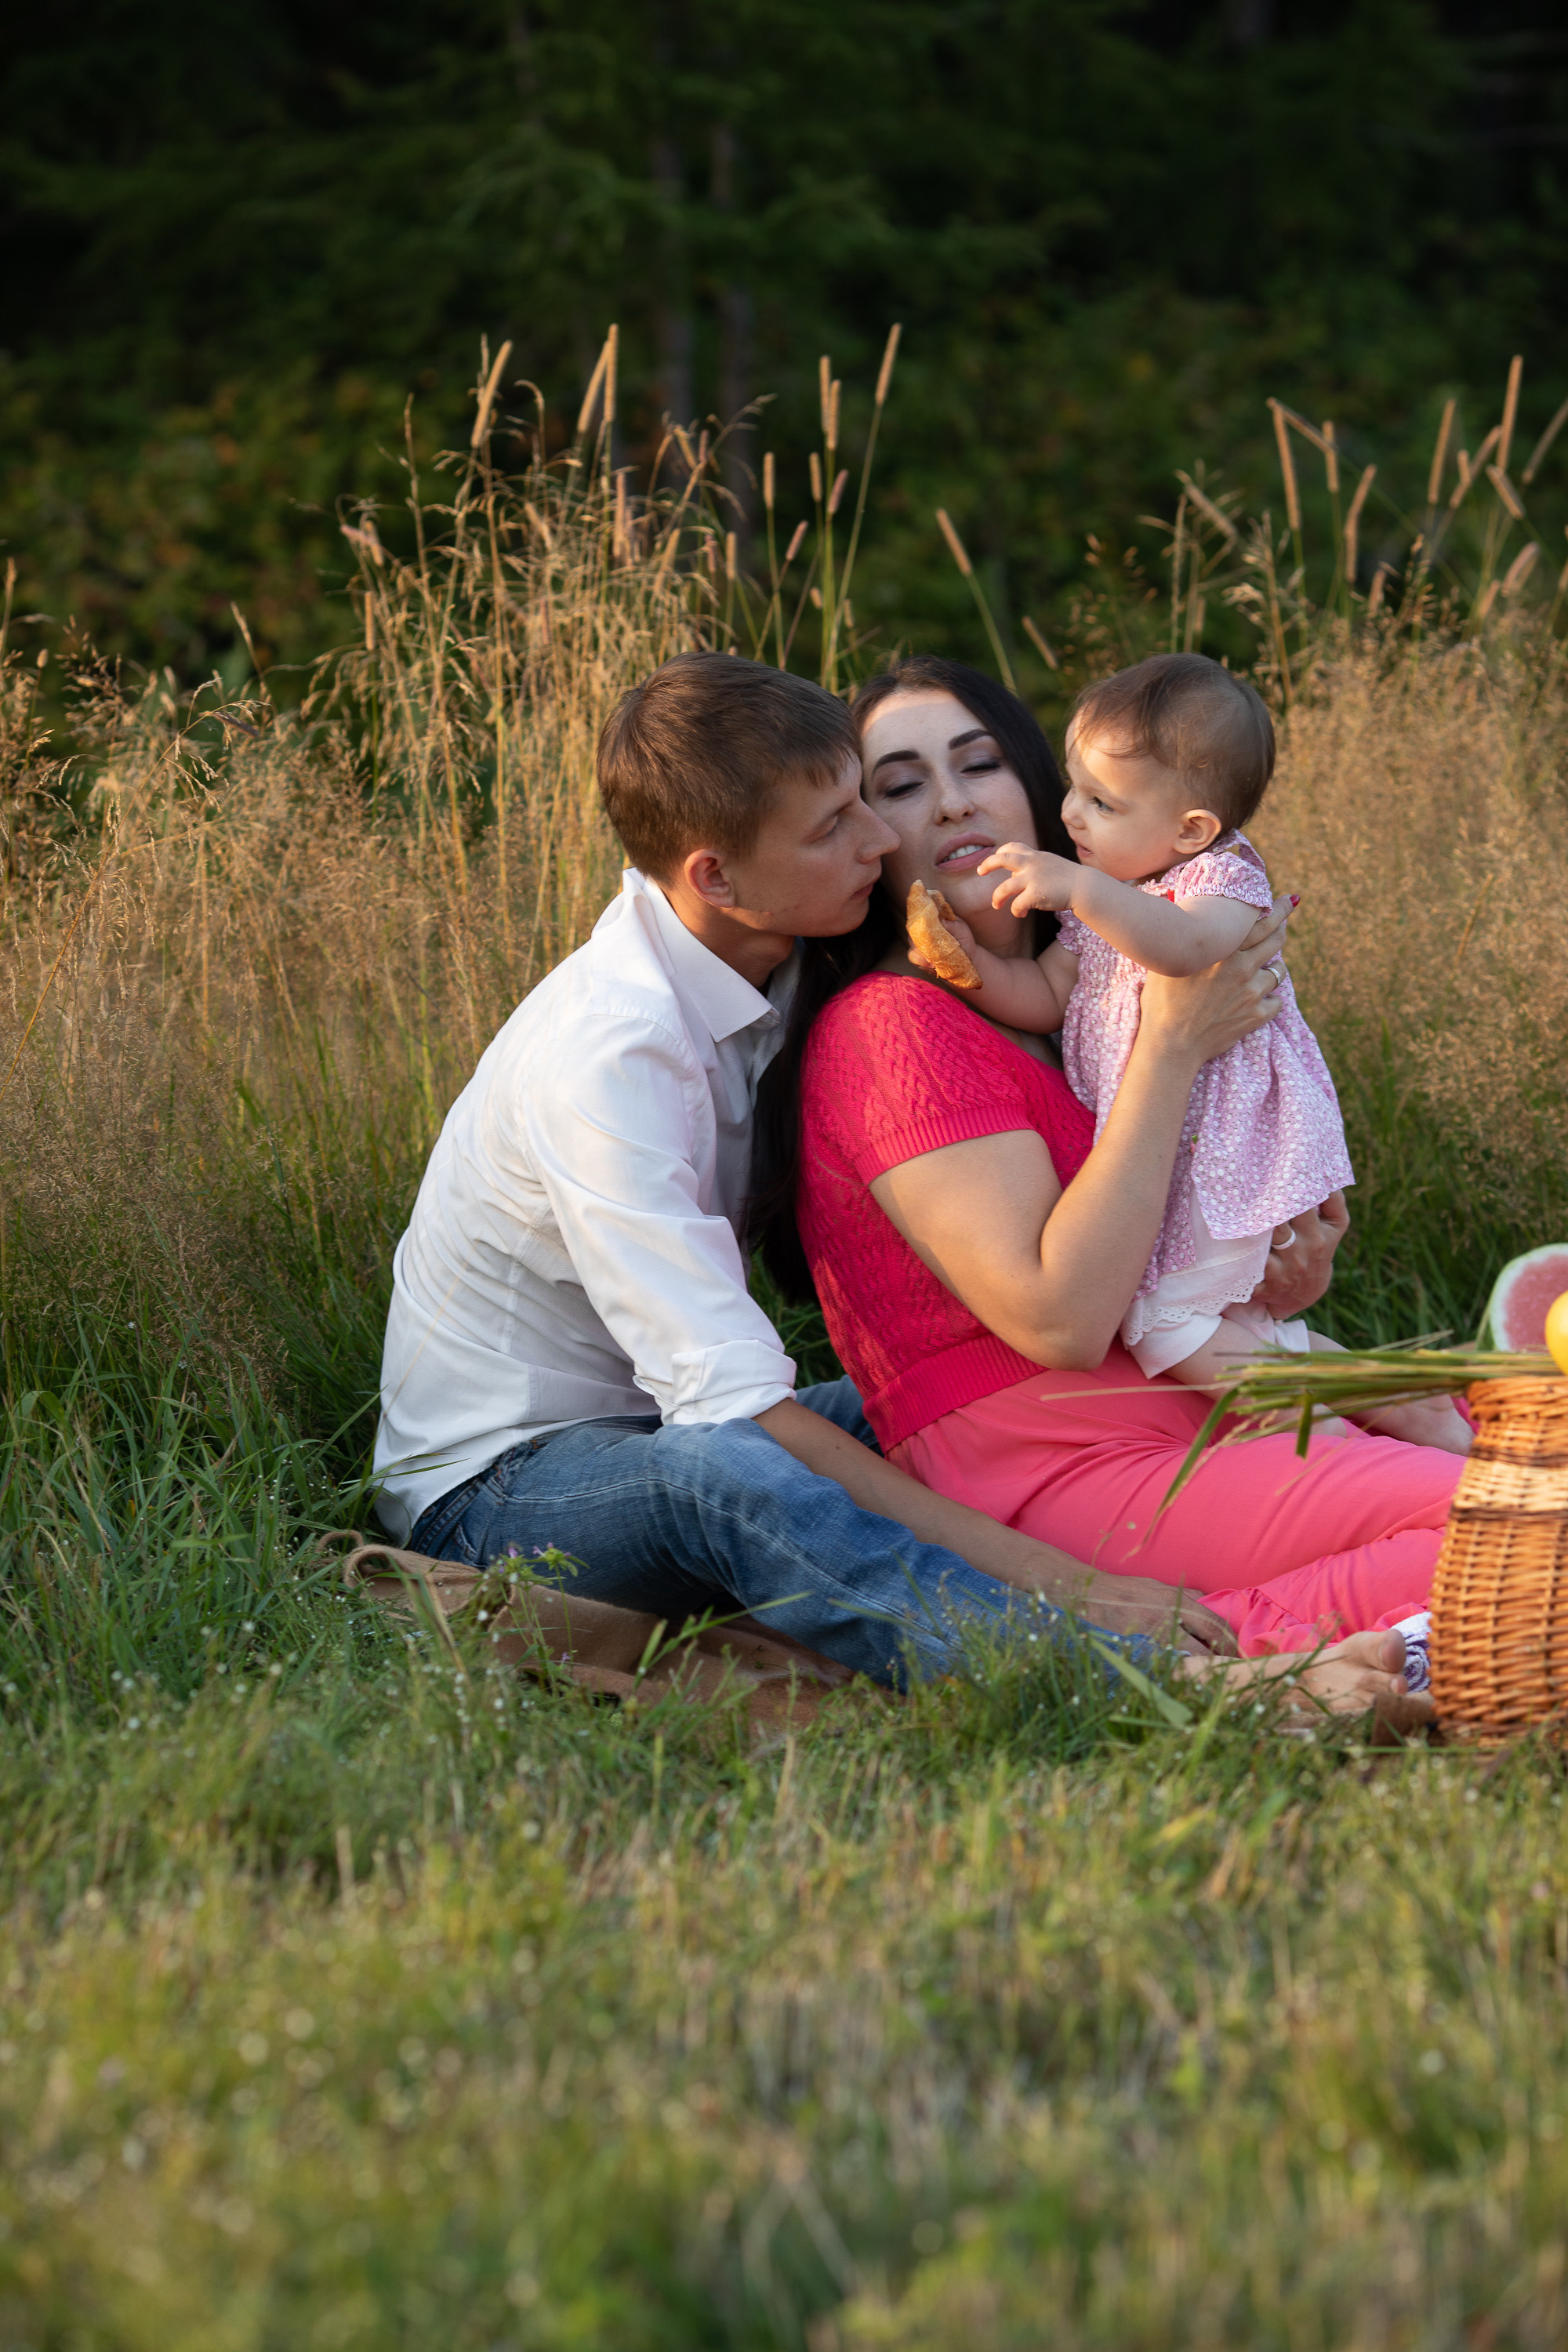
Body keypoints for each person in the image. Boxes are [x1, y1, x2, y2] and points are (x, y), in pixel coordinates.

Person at [372, 650, 1415, 1711]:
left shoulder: (785, 959)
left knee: (919, 1414)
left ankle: (1350, 1567)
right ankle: (1165, 1684)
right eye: (840, 823)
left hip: (676, 1409)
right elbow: (728, 1410)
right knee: (734, 1484)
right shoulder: (613, 1059)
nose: (882, 835)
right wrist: (1068, 1580)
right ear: (715, 877)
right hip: (510, 1480)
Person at [750, 655, 1463, 1660]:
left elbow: (1146, 1249)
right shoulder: (891, 1024)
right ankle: (1225, 1653)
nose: (952, 804)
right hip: (1057, 1458)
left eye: (979, 763)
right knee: (1515, 1523)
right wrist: (1176, 1042)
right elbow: (1060, 1319)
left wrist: (1278, 1268)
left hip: (1184, 1403)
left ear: (1047, 792)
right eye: (901, 785)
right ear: (868, 839)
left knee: (1529, 1453)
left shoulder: (1080, 1008)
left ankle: (1418, 1629)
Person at [906, 652, 1468, 1451]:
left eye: (1102, 802)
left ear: (1190, 828)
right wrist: (972, 970)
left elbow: (1187, 950)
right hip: (1175, 1156)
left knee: (1165, 1323)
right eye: (1071, 787)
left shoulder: (1216, 879)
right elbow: (1042, 993)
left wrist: (1078, 889)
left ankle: (1343, 1446)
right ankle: (1403, 1406)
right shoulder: (1109, 901)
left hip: (1226, 1149)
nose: (1069, 814)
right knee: (1219, 1321)